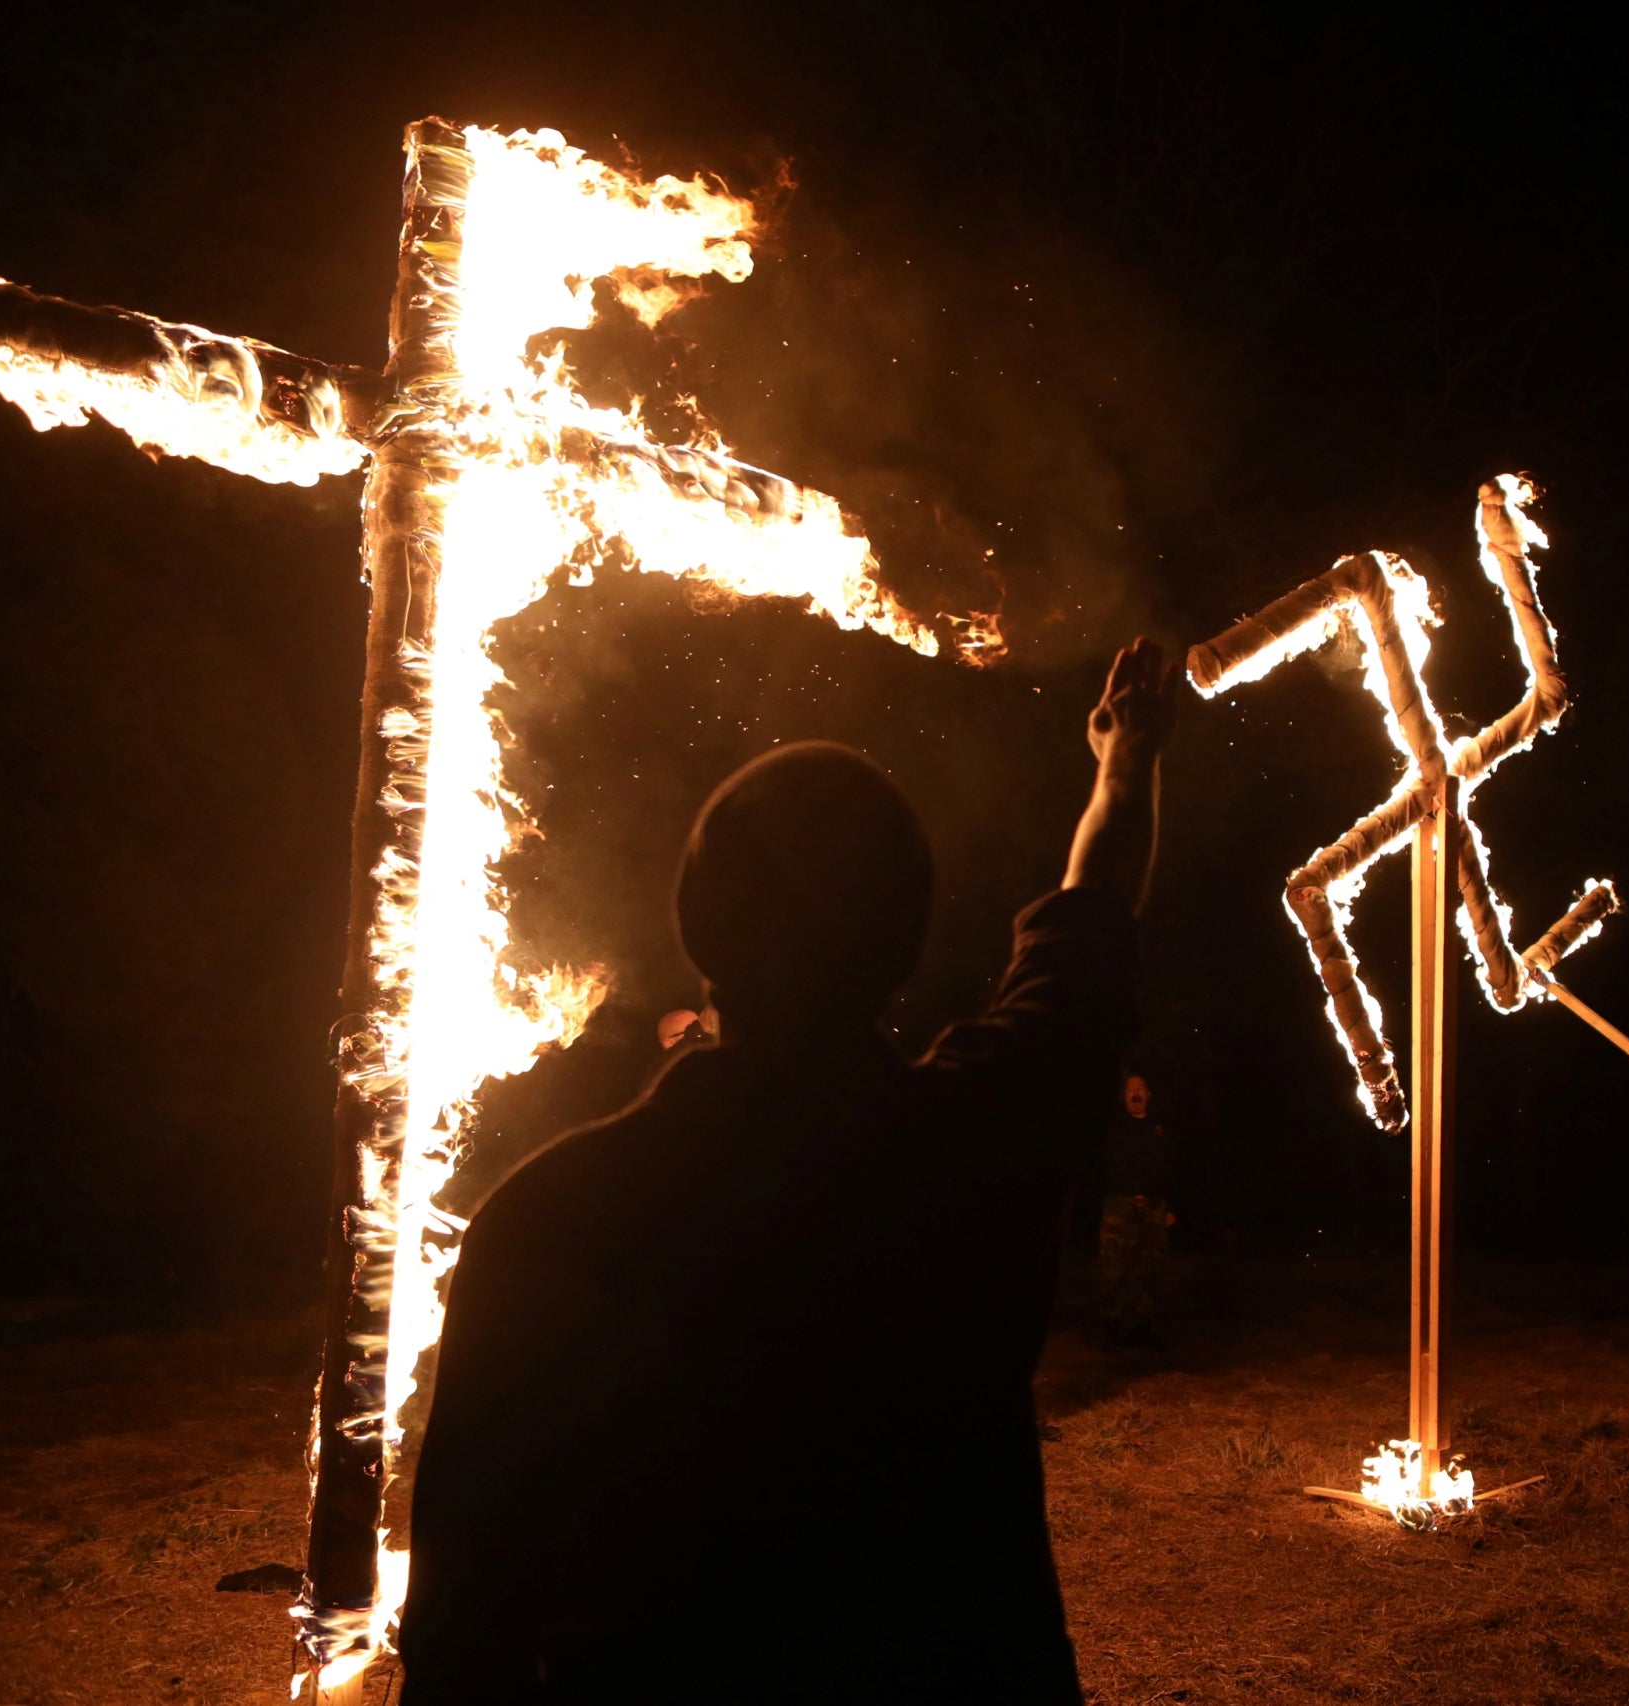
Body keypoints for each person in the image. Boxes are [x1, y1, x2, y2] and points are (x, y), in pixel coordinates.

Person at [400, 639, 1178, 1704]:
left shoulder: (552, 1218)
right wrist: (1126, 756)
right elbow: (1087, 929)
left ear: (696, 929)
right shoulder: (981, 1138)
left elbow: (462, 1617)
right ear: (905, 938)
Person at [1097, 1072, 1175, 1350]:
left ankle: (1144, 1328)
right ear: (1124, 1096)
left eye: (1140, 1088)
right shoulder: (1113, 1128)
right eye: (1130, 1089)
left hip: (1154, 1208)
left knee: (1150, 1268)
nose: (1136, 1093)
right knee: (1115, 1269)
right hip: (1119, 1207)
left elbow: (1172, 1169)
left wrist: (1171, 1207)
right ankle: (1113, 1328)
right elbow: (1099, 1169)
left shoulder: (1161, 1128)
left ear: (1149, 1094)